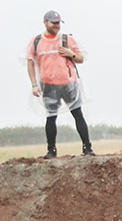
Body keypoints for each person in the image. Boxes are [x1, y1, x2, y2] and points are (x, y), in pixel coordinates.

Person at [26, 10, 95, 158]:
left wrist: (72, 54)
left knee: (78, 114)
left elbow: (81, 59)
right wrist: (34, 85)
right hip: (48, 85)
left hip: (69, 84)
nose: (57, 26)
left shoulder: (67, 39)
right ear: (45, 22)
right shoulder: (36, 42)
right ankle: (51, 150)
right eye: (53, 23)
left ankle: (87, 148)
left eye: (58, 23)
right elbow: (30, 63)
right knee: (51, 117)